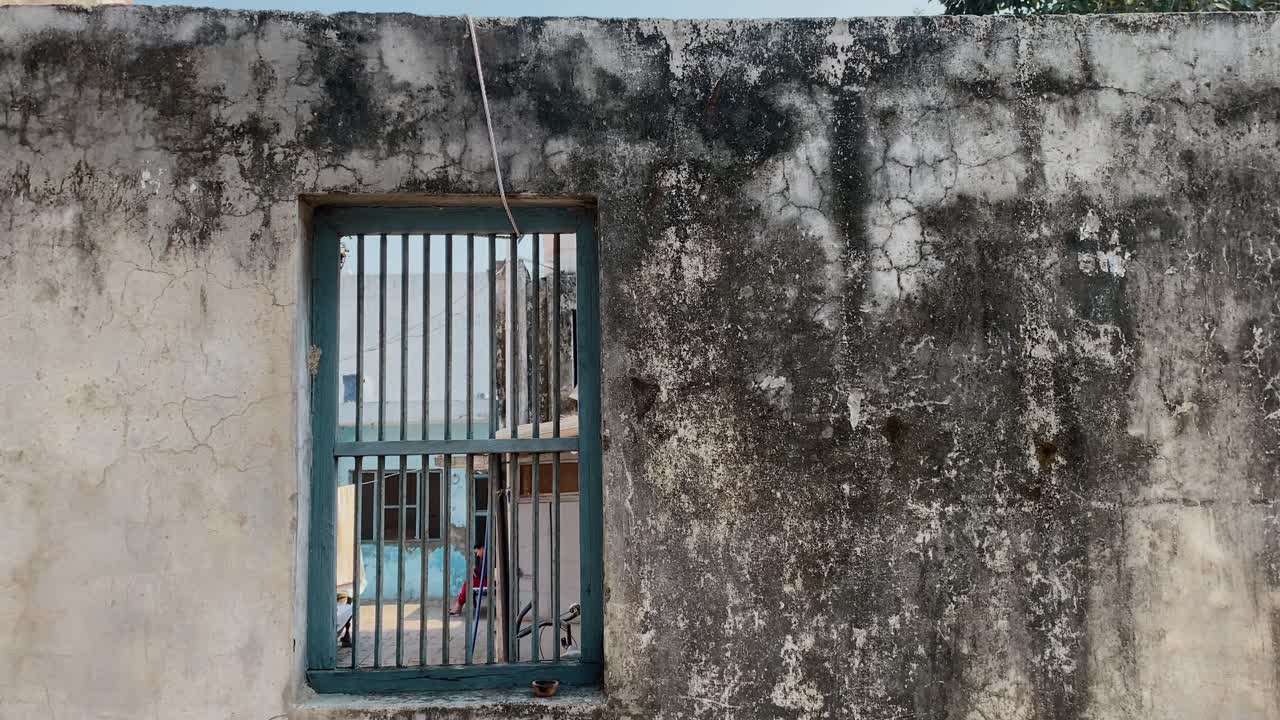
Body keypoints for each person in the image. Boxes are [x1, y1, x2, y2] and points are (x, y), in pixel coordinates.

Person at [450, 542, 487, 615]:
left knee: (468, 584)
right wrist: (474, 570)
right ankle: (458, 606)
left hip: (487, 581)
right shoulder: (483, 558)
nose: (477, 555)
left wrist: (475, 571)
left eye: (477, 552)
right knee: (467, 583)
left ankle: (458, 606)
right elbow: (481, 572)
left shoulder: (487, 558)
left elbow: (485, 573)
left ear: (482, 549)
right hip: (484, 580)